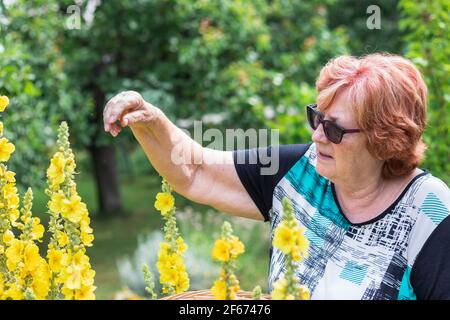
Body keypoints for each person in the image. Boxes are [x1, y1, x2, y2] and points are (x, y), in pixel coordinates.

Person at [103, 53, 450, 300]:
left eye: (334, 129)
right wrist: (150, 119)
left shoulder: (428, 209)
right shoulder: (303, 171)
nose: (317, 136)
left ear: (384, 140)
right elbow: (196, 171)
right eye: (317, 118)